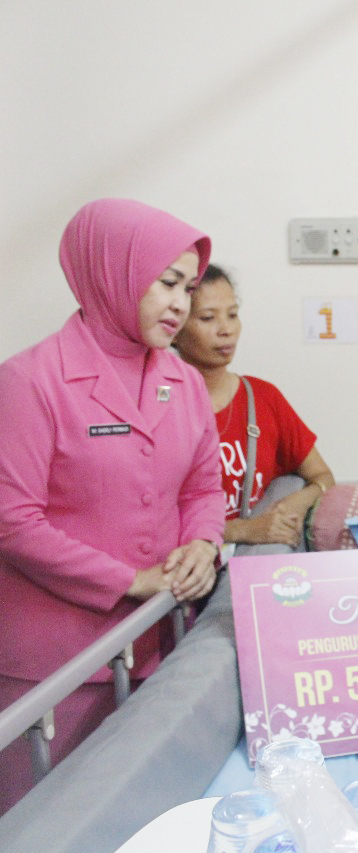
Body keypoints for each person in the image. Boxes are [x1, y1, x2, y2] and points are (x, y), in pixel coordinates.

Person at [0, 198, 224, 814]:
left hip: (158, 645)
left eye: (190, 287)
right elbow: (12, 522)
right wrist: (133, 580)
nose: (181, 304)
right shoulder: (29, 382)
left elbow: (203, 486)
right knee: (53, 826)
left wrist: (203, 544)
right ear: (111, 273)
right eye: (167, 283)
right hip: (57, 669)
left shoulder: (182, 381)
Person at [172, 265, 335, 553]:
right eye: (208, 318)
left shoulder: (262, 397)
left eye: (233, 314)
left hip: (247, 574)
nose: (226, 330)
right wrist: (244, 530)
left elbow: (322, 476)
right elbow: (149, 524)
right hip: (182, 580)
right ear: (174, 328)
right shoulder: (156, 407)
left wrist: (298, 499)